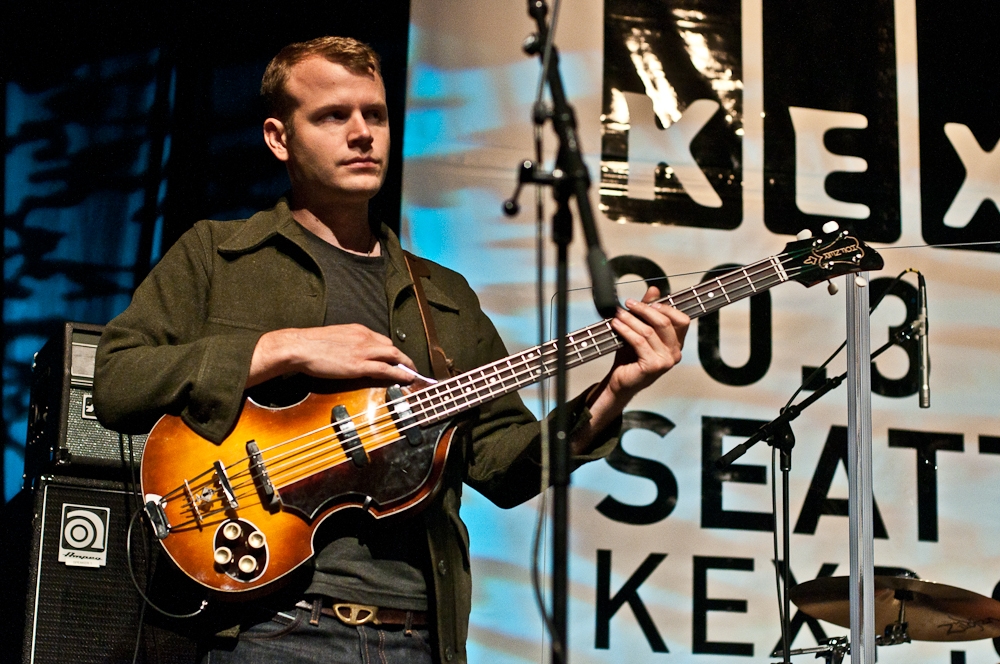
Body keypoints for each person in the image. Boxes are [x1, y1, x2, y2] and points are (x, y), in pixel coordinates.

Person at [93, 36, 689, 664]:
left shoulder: (445, 296)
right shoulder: (218, 254)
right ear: (278, 137)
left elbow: (503, 469)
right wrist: (281, 348)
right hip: (273, 625)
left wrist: (614, 393)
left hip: (415, 633)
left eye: (374, 115)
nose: (362, 134)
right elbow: (118, 379)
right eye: (332, 116)